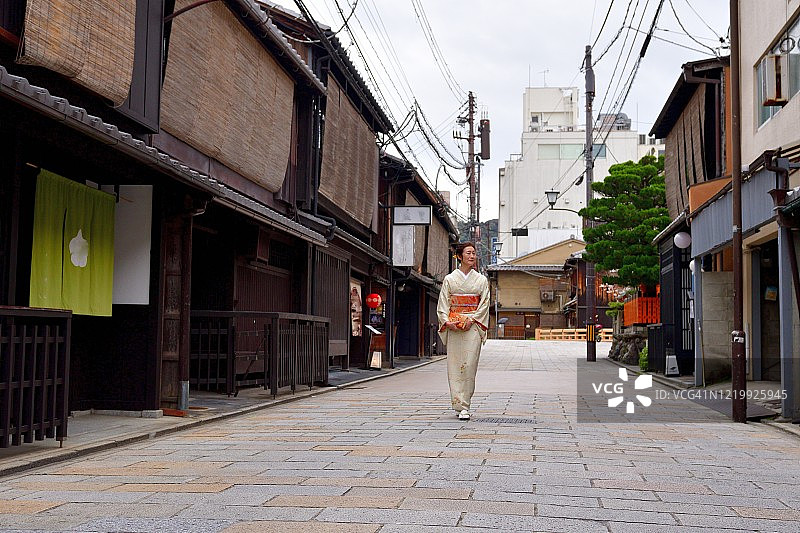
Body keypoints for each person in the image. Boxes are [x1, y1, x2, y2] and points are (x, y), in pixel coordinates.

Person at [437, 241, 490, 420]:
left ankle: (465, 404)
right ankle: (458, 404)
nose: (472, 256)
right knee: (454, 365)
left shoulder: (481, 280)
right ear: (459, 256)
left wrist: (472, 319)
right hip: (454, 326)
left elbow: (484, 304)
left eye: (474, 253)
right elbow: (443, 303)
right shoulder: (450, 280)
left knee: (469, 365)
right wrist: (446, 321)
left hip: (472, 326)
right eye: (468, 253)